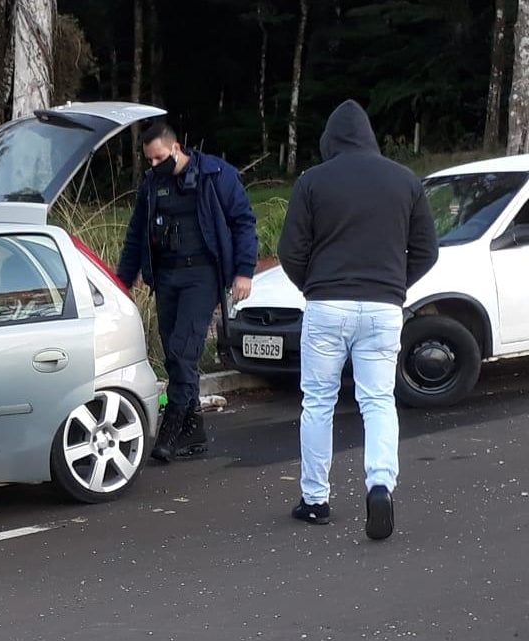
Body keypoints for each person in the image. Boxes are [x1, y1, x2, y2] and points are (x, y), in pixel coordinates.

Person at [278, 100, 439, 540]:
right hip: (384, 308)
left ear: (330, 141)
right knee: (378, 400)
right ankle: (381, 484)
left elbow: (290, 251)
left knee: (318, 401)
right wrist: (393, 285)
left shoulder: (313, 182)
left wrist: (314, 284)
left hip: (327, 304)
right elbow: (427, 251)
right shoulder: (405, 181)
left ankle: (315, 500)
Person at [117, 122, 258, 462]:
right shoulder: (152, 184)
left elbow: (243, 222)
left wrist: (243, 272)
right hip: (166, 276)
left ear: (176, 148)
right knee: (174, 354)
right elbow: (137, 233)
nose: (153, 165)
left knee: (183, 350)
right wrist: (123, 280)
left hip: (202, 276)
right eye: (149, 160)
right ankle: (194, 434)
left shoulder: (215, 174)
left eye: (159, 158)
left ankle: (170, 429)